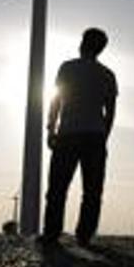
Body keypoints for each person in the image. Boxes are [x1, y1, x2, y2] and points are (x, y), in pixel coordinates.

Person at [40, 27, 118, 247]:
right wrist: (104, 136)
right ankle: (84, 236)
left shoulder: (67, 68)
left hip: (68, 134)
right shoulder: (108, 75)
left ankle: (51, 233)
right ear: (101, 49)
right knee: (92, 190)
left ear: (83, 43)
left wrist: (51, 128)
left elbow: (56, 99)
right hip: (95, 136)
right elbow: (110, 112)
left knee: (57, 187)